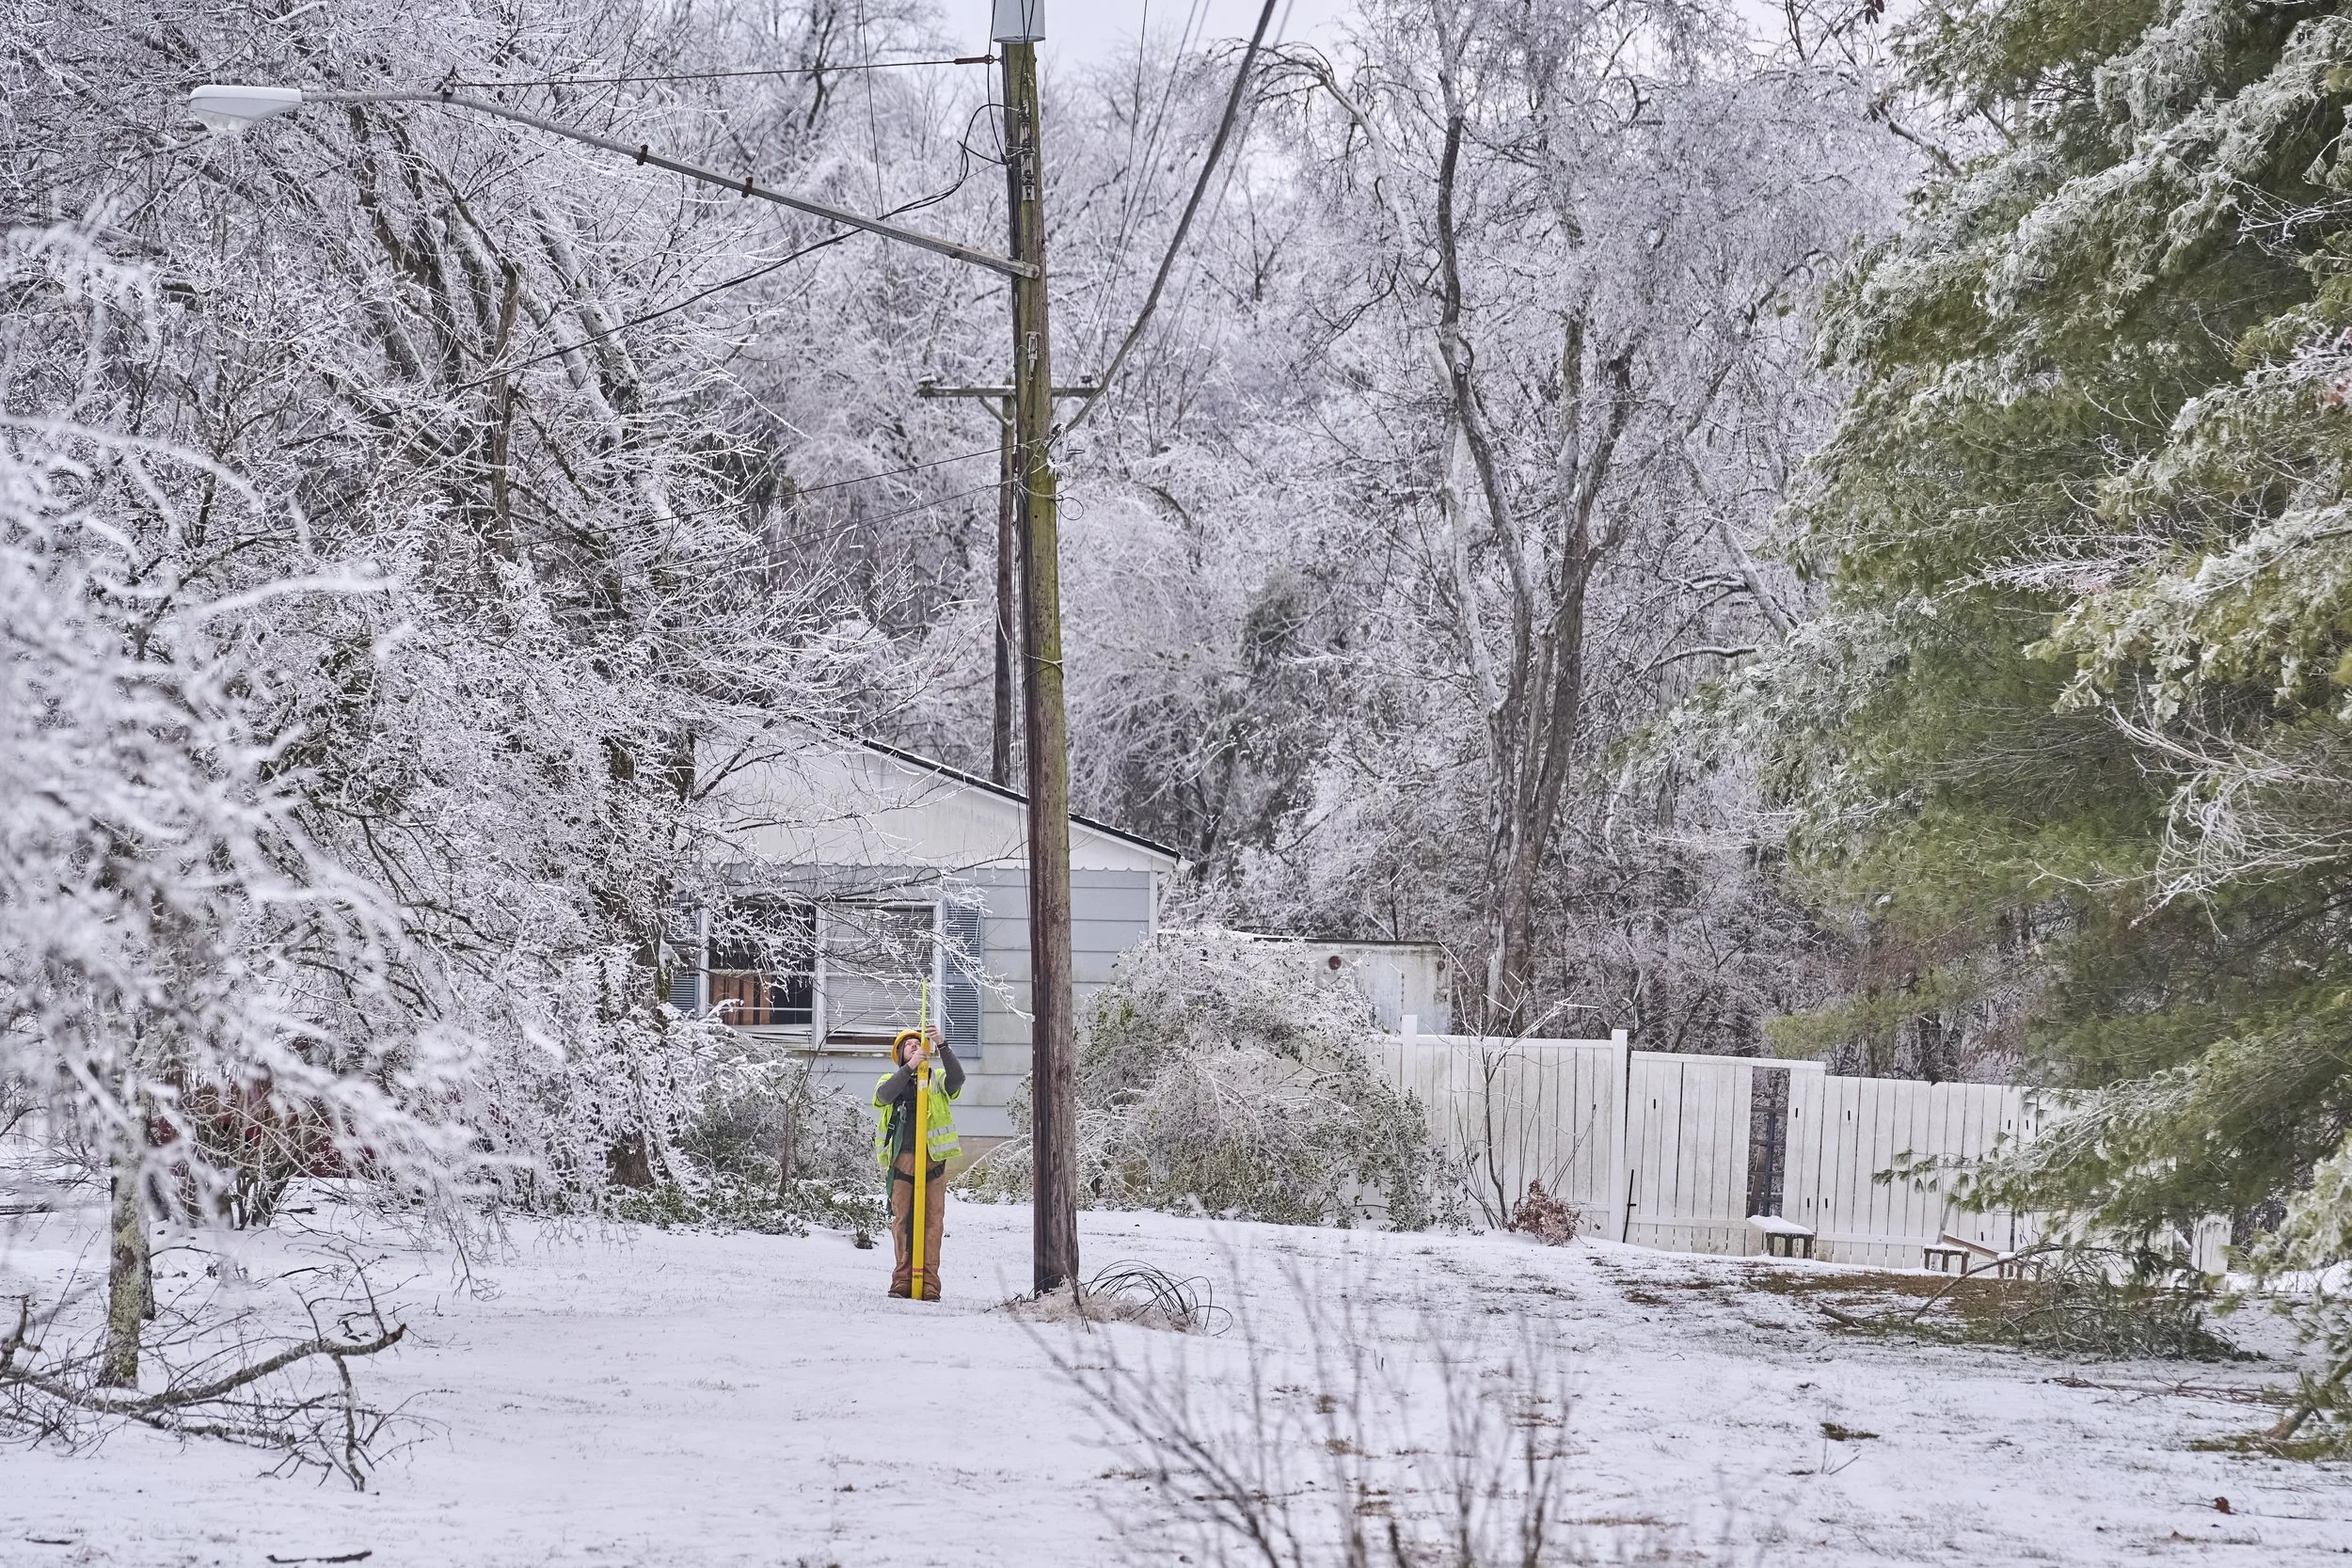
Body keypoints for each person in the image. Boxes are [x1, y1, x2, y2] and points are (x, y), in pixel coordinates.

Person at [871, 1030, 963, 1299]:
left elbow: (958, 1080)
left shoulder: (936, 1079)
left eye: (917, 1044)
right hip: (903, 1161)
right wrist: (910, 1068)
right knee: (903, 1221)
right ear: (900, 1054)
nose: (914, 1047)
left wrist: (943, 1046)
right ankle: (902, 1279)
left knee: (933, 1221)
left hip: (933, 1161)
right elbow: (884, 1096)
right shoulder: (890, 1079)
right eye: (908, 1045)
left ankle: (930, 1283)